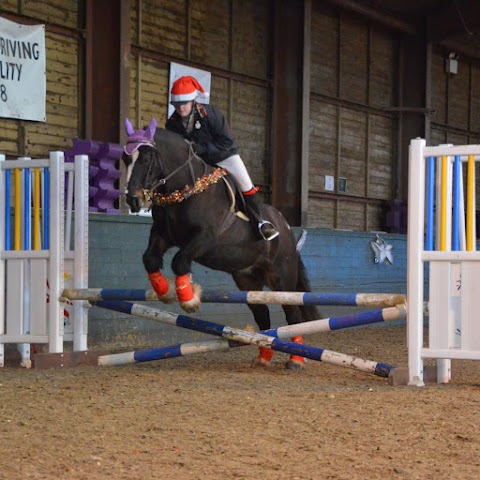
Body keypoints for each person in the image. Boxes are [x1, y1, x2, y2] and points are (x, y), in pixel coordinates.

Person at [165, 75, 279, 241]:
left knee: (245, 184)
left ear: (193, 101)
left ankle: (260, 223)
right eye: (176, 105)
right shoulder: (172, 123)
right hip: (197, 160)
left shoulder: (211, 114)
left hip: (224, 155)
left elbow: (226, 142)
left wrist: (202, 150)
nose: (180, 108)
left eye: (184, 104)